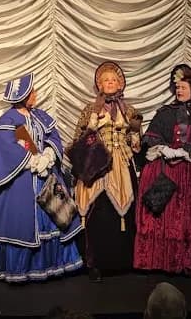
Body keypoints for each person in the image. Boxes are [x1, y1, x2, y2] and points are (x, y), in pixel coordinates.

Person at [0, 73, 83, 282]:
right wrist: (32, 160)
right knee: (22, 222)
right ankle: (22, 269)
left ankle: (52, 265)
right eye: (32, 91)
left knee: (55, 215)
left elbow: (52, 136)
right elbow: (6, 148)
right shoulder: (9, 120)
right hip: (22, 181)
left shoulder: (38, 116)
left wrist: (47, 155)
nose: (35, 94)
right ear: (23, 95)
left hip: (45, 177)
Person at [134, 64, 191, 276]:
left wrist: (184, 153)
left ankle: (189, 261)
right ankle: (161, 261)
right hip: (165, 170)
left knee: (187, 220)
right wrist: (164, 148)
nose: (179, 91)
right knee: (163, 216)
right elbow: (151, 139)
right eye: (177, 87)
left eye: (183, 87)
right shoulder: (165, 113)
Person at [69, 61, 142, 282]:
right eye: (105, 81)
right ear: (99, 85)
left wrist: (135, 133)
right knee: (98, 213)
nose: (110, 83)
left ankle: (123, 261)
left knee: (124, 213)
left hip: (122, 165)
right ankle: (95, 263)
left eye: (113, 80)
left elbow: (136, 146)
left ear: (120, 84)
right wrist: (92, 126)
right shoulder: (90, 110)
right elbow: (78, 140)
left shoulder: (129, 110)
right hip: (97, 165)